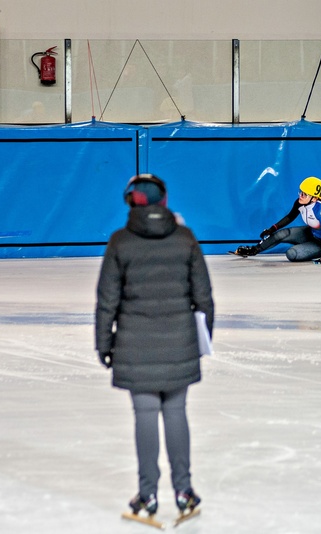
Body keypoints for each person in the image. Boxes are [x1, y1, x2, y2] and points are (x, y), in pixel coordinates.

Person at [95, 173, 214, 521]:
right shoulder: (185, 238)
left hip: (134, 346)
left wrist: (104, 345)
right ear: (164, 200)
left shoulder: (119, 242)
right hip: (180, 344)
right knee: (176, 412)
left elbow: (106, 301)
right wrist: (200, 341)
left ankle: (147, 496)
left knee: (145, 415)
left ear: (130, 202)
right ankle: (184, 492)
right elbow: (204, 299)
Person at [235, 176, 321, 263]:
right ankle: (253, 250)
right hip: (311, 234)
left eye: (304, 194)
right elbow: (290, 217)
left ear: (314, 198)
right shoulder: (299, 203)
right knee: (281, 234)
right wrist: (272, 229)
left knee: (292, 254)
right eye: (300, 192)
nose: (300, 196)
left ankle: (310, 249)